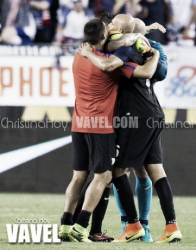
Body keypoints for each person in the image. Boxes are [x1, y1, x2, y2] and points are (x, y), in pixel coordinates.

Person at [80, 13, 182, 243]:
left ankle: (133, 226)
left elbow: (108, 61)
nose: (110, 25)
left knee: (116, 171)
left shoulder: (124, 49)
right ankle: (171, 227)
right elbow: (156, 69)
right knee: (156, 170)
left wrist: (88, 52)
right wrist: (147, 39)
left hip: (136, 116)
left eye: (114, 22)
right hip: (153, 111)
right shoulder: (141, 46)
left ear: (121, 30)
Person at [58, 17, 160, 243]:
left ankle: (65, 224)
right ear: (104, 37)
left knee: (78, 178)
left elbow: (111, 44)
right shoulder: (110, 62)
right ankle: (81, 226)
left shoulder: (78, 55)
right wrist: (155, 55)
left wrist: (134, 34)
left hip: (78, 124)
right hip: (100, 126)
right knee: (103, 176)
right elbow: (146, 73)